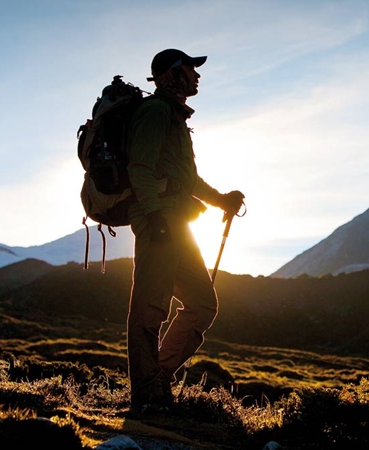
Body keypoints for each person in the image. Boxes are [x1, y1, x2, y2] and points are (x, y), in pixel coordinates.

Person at [125, 48, 244, 413]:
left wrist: (222, 199)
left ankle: (158, 381)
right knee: (150, 307)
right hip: (159, 222)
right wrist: (156, 217)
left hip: (176, 223)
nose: (197, 75)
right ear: (171, 74)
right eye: (190, 69)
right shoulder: (156, 112)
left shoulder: (174, 118)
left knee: (203, 304)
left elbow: (186, 179)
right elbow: (140, 168)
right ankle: (147, 395)